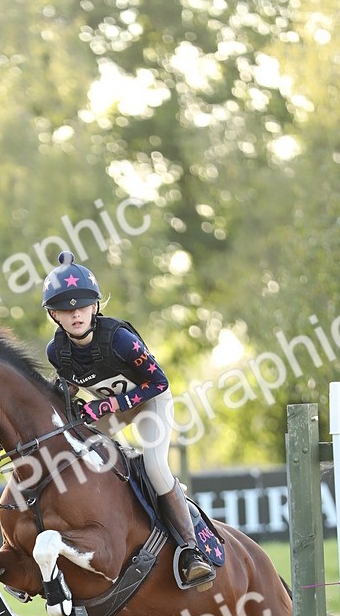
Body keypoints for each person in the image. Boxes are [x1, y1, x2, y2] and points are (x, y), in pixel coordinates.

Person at [42, 249, 214, 590]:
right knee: (74, 454)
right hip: (111, 410)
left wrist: (106, 408)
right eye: (65, 309)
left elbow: (159, 382)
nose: (75, 314)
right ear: (54, 315)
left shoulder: (119, 338)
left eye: (81, 306)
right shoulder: (56, 351)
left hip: (151, 403)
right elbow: (70, 388)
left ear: (95, 307)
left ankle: (192, 551)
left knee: (155, 466)